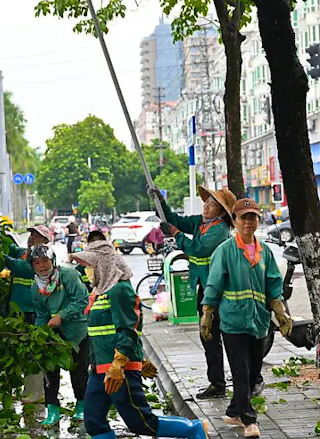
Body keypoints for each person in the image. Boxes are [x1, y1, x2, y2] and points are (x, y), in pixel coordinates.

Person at [71, 243, 208, 439]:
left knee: (141, 422)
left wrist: (121, 363)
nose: (87, 271)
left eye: (90, 266)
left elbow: (129, 329)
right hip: (100, 368)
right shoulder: (100, 292)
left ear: (103, 265)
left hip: (119, 369)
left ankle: (194, 429)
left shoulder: (120, 290)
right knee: (93, 421)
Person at [200, 198, 290, 438]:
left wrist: (280, 311)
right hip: (233, 321)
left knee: (252, 374)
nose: (248, 222)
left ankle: (234, 411)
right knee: (241, 372)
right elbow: (214, 284)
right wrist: (207, 314)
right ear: (235, 221)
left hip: (259, 322)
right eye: (243, 218)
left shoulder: (265, 251)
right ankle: (250, 420)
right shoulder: (225, 251)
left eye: (253, 217)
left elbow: (273, 284)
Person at [149, 185, 235, 399]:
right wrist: (161, 202)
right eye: (207, 203)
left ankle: (225, 383)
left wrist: (175, 234)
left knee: (216, 336)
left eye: (212, 205)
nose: (206, 207)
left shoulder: (219, 229)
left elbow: (197, 248)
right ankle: (217, 382)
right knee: (208, 336)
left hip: (218, 290)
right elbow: (176, 220)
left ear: (221, 212)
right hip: (204, 287)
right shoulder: (201, 223)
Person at [16, 244, 91, 425]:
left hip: (77, 331)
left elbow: (82, 300)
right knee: (49, 373)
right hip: (53, 334)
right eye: (36, 263)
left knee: (79, 371)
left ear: (53, 261)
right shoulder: (36, 287)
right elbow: (41, 313)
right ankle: (52, 410)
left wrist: (61, 316)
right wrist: (38, 334)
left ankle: (82, 407)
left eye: (45, 261)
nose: (42, 266)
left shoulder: (69, 276)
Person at [3, 225, 53, 404]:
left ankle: (37, 392)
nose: (31, 237)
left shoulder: (42, 258)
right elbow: (9, 247)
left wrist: (2, 256)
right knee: (21, 351)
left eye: (36, 235)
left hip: (34, 312)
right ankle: (27, 390)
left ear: (45, 241)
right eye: (31, 234)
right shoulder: (24, 252)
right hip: (20, 311)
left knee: (34, 352)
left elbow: (19, 266)